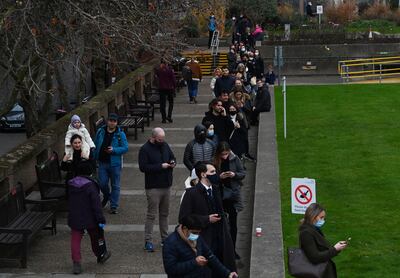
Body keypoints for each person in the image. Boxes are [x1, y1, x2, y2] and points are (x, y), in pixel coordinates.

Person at [179, 162, 236, 277]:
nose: (216, 174)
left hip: (220, 238)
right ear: (203, 174)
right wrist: (206, 219)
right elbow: (184, 218)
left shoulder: (215, 189)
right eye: (212, 172)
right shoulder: (191, 193)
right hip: (203, 240)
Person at [67, 161, 111, 274]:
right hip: (90, 217)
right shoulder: (91, 186)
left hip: (75, 216)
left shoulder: (71, 184)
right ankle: (100, 254)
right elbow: (96, 205)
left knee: (75, 240)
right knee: (95, 237)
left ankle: (76, 263)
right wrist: (101, 219)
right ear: (90, 172)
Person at [163, 214, 238, 278]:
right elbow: (171, 269)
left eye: (199, 233)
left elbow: (210, 256)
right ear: (185, 228)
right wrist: (194, 262)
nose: (197, 235)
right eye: (194, 233)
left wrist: (227, 273)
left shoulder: (197, 238)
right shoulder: (170, 243)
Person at [138, 127, 176, 252]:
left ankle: (165, 238)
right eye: (160, 139)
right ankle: (148, 241)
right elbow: (143, 167)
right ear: (153, 138)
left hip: (166, 185)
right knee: (151, 215)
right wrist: (160, 166)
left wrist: (172, 162)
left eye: (163, 139)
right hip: (153, 187)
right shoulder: (145, 149)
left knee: (164, 214)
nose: (162, 141)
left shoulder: (165, 145)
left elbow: (172, 157)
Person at [213, 142, 246, 259]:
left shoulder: (235, 158)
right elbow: (210, 178)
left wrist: (234, 174)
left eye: (226, 154)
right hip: (220, 195)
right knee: (220, 224)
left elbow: (243, 173)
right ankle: (221, 249)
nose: (225, 157)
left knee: (233, 225)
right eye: (222, 154)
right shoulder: (215, 161)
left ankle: (232, 250)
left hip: (232, 195)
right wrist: (219, 177)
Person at [299, 203, 348, 278]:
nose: (323, 220)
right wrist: (335, 249)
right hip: (318, 273)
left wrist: (337, 248)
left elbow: (322, 249)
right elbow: (315, 257)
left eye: (324, 218)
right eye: (321, 217)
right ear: (313, 216)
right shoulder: (306, 233)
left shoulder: (314, 230)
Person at [93, 113, 128, 214]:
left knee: (115, 185)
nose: (112, 123)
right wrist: (94, 158)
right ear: (107, 121)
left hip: (114, 164)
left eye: (114, 121)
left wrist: (114, 150)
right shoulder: (101, 131)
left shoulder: (120, 134)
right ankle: (107, 195)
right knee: (102, 183)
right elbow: (95, 145)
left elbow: (125, 148)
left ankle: (113, 206)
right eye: (110, 120)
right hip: (102, 163)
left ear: (117, 123)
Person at [155, 58, 176, 123]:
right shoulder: (170, 70)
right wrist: (174, 86)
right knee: (171, 103)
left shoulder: (159, 70)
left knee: (162, 104)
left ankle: (163, 118)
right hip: (169, 88)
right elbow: (173, 79)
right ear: (166, 64)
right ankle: (169, 116)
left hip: (161, 88)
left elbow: (157, 76)